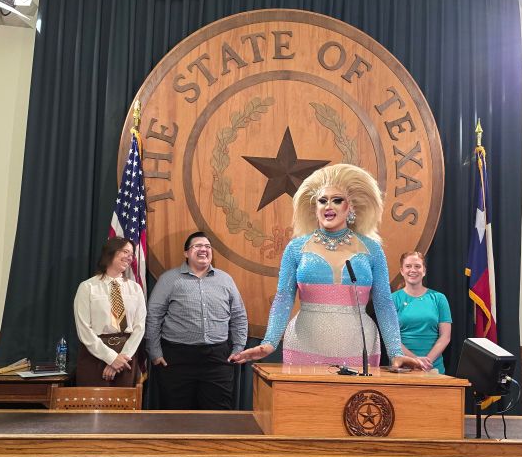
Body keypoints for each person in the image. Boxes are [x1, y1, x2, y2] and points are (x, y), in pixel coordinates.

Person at [230, 164, 427, 371]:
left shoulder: (372, 250)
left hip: (358, 347)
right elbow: (283, 297)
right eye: (322, 201)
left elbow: (384, 303)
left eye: (337, 200)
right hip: (304, 343)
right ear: (314, 208)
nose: (328, 206)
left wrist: (396, 351)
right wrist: (269, 342)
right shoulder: (296, 248)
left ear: (350, 207)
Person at [145, 231, 249, 410]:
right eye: (198, 246)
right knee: (175, 415)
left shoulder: (225, 280)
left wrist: (239, 348)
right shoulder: (169, 279)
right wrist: (154, 352)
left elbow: (239, 316)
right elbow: (153, 316)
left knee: (218, 416)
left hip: (218, 359)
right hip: (177, 359)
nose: (204, 249)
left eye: (208, 246)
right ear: (186, 253)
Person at [73, 236, 146, 387]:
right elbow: (84, 329)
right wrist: (111, 358)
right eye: (125, 251)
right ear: (110, 253)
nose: (129, 257)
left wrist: (120, 359)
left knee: (123, 407)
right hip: (94, 355)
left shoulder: (135, 289)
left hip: (126, 356)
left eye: (131, 254)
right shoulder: (88, 287)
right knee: (93, 408)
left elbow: (140, 327)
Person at [392, 251, 452, 374]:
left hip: (433, 367)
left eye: (417, 266)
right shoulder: (393, 299)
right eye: (408, 266)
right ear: (402, 271)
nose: (413, 270)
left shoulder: (439, 298)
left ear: (424, 271)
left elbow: (445, 336)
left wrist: (427, 361)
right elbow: (392, 339)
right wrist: (415, 361)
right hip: (404, 368)